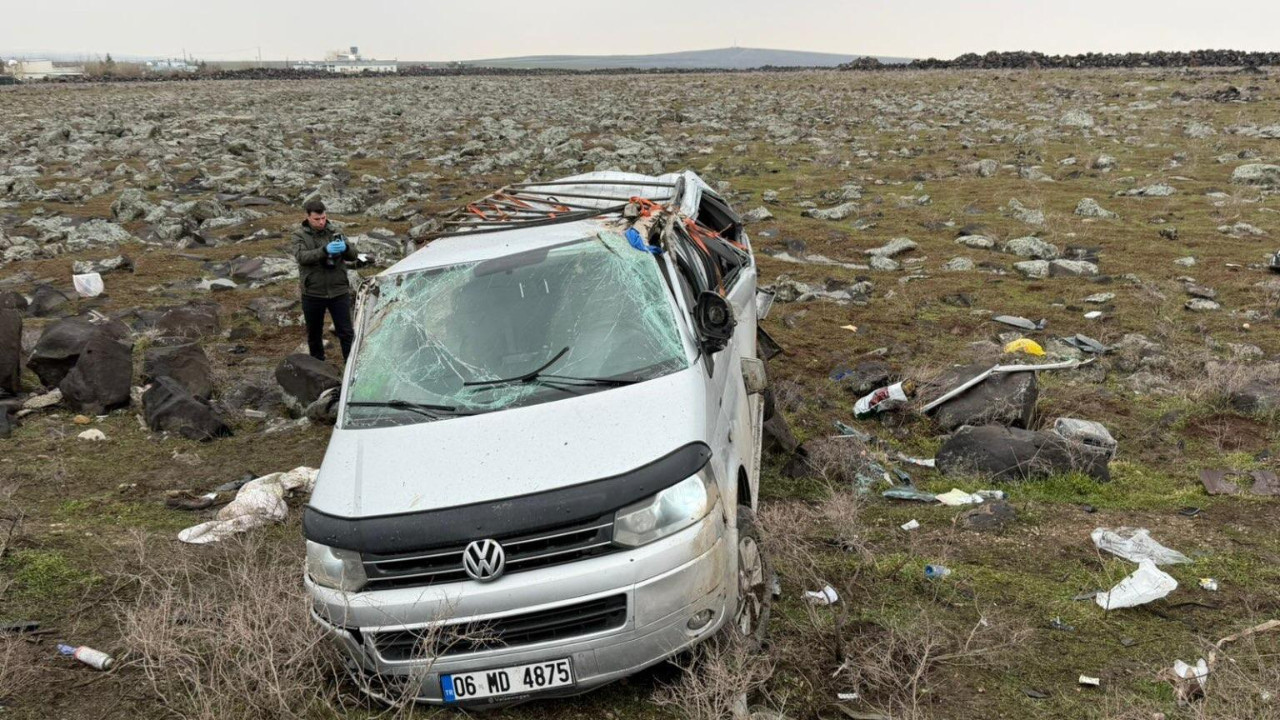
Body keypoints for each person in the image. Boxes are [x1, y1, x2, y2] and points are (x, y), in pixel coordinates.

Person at [292, 200, 358, 362]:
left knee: (346, 332)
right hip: (313, 292)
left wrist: (346, 248)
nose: (321, 222)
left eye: (323, 218)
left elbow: (354, 255)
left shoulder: (335, 231)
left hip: (338, 289)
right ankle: (318, 367)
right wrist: (324, 250)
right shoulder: (299, 235)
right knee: (314, 334)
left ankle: (351, 368)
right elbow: (301, 257)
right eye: (317, 219)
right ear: (307, 217)